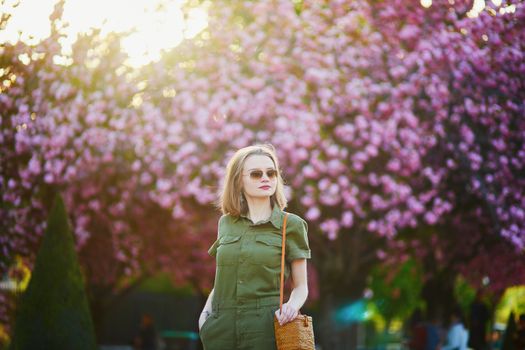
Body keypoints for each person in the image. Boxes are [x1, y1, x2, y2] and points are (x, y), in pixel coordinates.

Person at [198, 144, 311, 350]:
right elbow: (221, 277)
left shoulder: (291, 225)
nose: (266, 178)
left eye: (271, 173)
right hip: (220, 330)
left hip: (265, 330)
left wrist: (292, 307)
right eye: (256, 174)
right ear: (239, 181)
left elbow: (301, 286)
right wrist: (204, 318)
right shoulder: (226, 223)